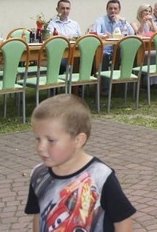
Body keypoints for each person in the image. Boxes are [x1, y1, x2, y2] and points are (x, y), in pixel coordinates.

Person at [26, 94, 135, 231]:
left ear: (78, 140)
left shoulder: (101, 176)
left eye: (51, 140)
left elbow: (122, 220)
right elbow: (38, 214)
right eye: (38, 139)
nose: (41, 147)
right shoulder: (39, 175)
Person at [92, 0, 135, 65]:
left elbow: (131, 33)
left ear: (119, 10)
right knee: (104, 56)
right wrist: (104, 35)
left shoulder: (121, 21)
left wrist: (123, 21)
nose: (113, 11)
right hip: (104, 50)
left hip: (119, 50)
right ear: (107, 10)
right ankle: (104, 72)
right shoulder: (100, 20)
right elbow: (95, 34)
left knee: (130, 54)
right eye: (110, 8)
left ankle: (126, 71)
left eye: (115, 9)